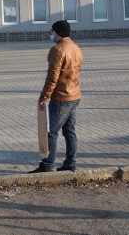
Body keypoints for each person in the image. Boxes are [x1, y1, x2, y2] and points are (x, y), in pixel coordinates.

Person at [29, 20, 83, 173]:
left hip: (61, 97)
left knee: (51, 132)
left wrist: (43, 97)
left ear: (57, 32)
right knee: (70, 131)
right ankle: (70, 163)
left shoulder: (57, 50)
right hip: (74, 95)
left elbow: (52, 78)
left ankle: (47, 164)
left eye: (52, 31)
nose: (51, 34)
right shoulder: (76, 48)